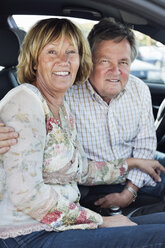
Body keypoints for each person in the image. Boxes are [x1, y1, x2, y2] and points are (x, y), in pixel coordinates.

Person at [1, 17, 165, 248]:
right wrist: (101, 221)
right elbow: (27, 196)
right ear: (35, 60)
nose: (63, 61)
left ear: (80, 59)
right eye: (51, 52)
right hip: (29, 235)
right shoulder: (25, 102)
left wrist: (132, 163)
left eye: (71, 52)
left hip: (62, 224)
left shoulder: (61, 108)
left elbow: (81, 169)